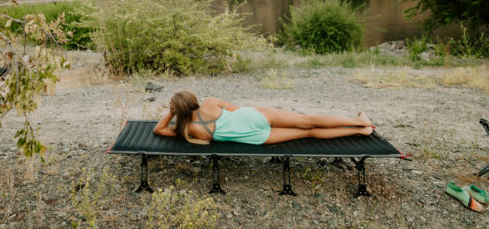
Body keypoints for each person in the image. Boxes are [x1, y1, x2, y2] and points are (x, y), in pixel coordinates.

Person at [154, 90, 373, 145]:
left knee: (310, 132)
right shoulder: (210, 101)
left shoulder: (189, 130)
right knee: (309, 119)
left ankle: (360, 130)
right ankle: (360, 120)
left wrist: (172, 113)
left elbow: (158, 130)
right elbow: (237, 109)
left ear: (178, 111)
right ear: (193, 100)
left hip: (256, 136)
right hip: (254, 116)